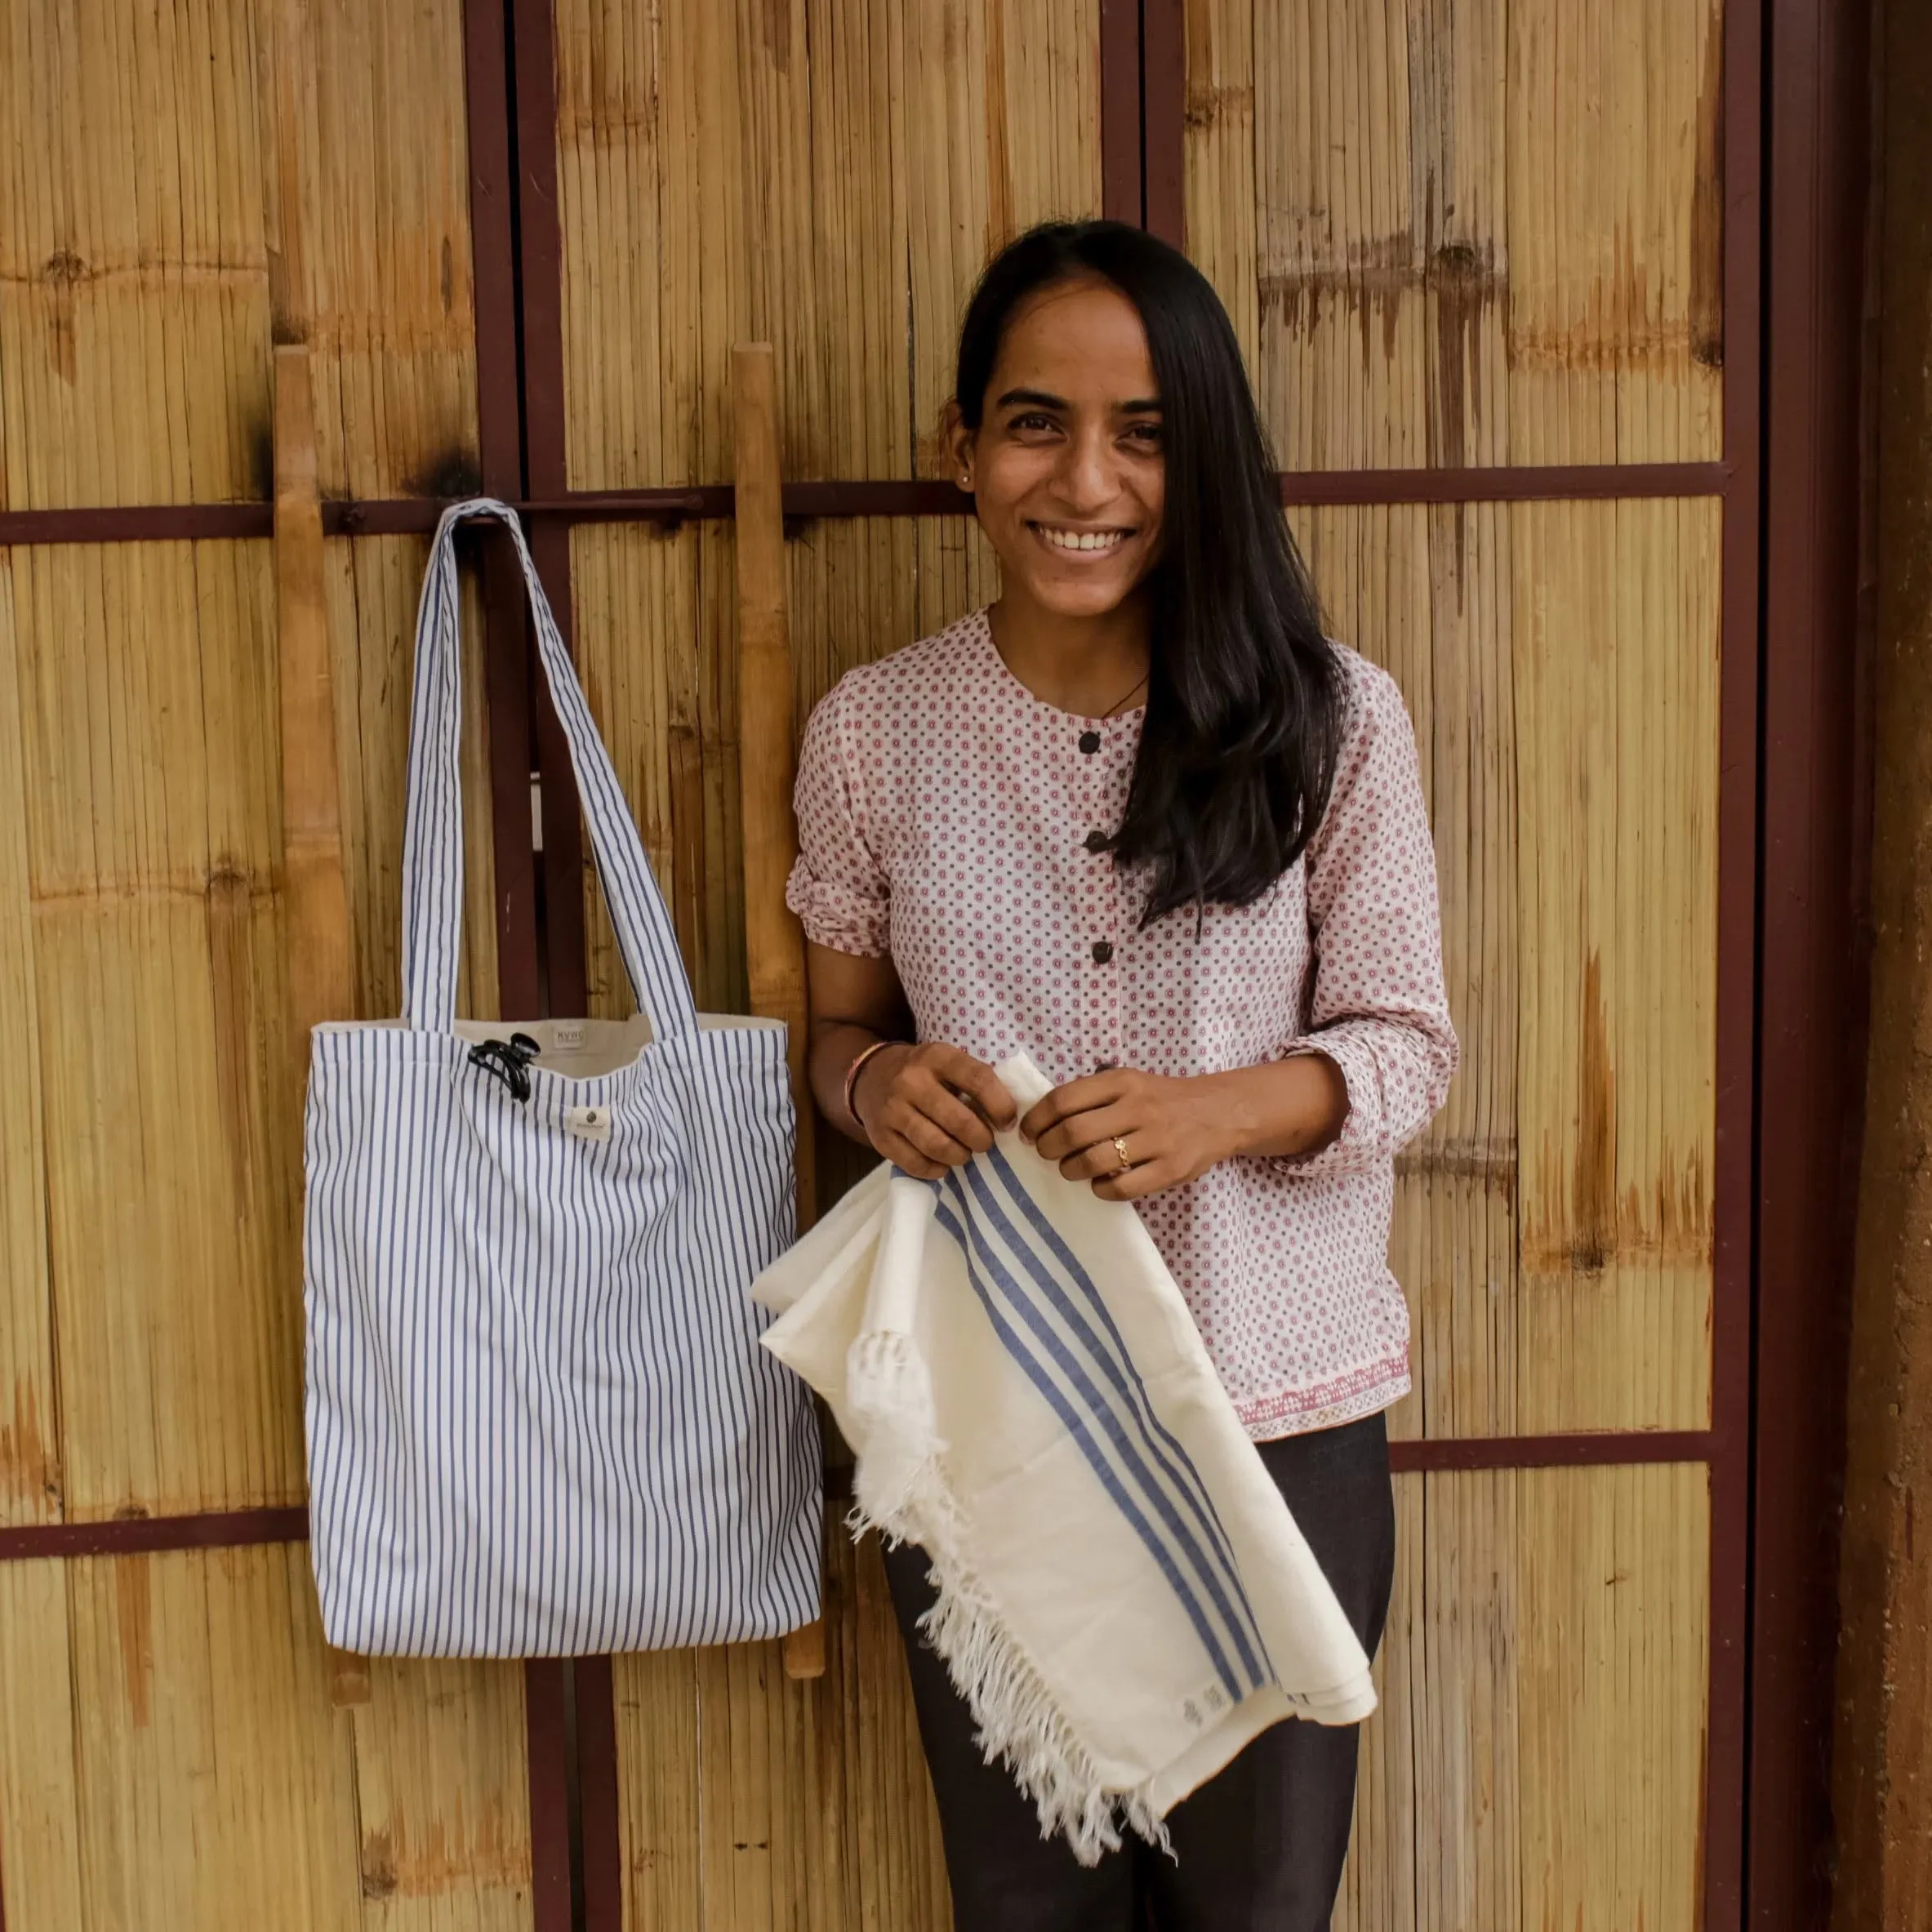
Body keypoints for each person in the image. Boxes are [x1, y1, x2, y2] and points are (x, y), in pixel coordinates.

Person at [786, 219, 1457, 1932]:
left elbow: (1403, 1047)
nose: (1084, 479)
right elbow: (836, 1034)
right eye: (1033, 422)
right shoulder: (877, 728)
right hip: (1006, 1423)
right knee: (1025, 1910)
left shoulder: (1330, 719)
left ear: (1204, 455)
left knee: (1257, 1911)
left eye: (1143, 432)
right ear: (960, 448)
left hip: (1274, 1421)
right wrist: (876, 1095)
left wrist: (1209, 1110)